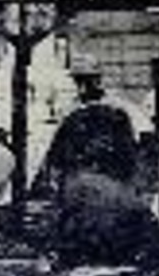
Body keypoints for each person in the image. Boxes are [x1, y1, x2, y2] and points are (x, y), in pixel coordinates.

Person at [34, 68, 140, 196]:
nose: (83, 88)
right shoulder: (71, 112)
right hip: (79, 181)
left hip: (107, 181)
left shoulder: (116, 109)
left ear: (98, 81)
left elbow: (128, 152)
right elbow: (56, 153)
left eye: (87, 81)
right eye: (79, 82)